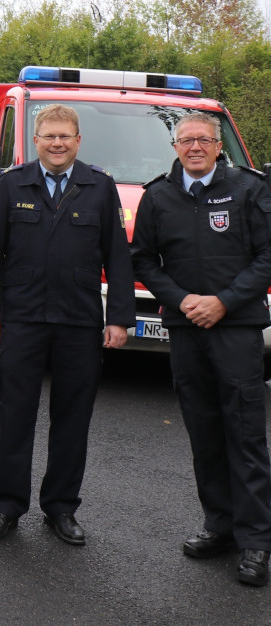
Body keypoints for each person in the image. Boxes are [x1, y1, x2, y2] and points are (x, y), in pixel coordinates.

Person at [0, 104, 134, 545]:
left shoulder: (99, 187)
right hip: (22, 319)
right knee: (15, 416)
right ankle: (5, 507)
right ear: (36, 140)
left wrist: (119, 317)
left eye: (65, 136)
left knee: (72, 419)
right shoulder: (11, 183)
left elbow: (118, 257)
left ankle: (61, 509)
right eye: (49, 136)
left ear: (78, 141)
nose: (58, 143)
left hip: (79, 322)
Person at [132, 111, 271, 587]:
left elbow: (267, 255)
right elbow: (143, 260)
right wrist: (181, 299)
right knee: (204, 431)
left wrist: (224, 302)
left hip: (237, 329)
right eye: (186, 140)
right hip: (186, 327)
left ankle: (256, 541)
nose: (194, 146)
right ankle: (220, 527)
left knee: (245, 433)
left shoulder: (250, 189)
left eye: (203, 139)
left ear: (218, 146)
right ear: (174, 147)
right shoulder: (158, 196)